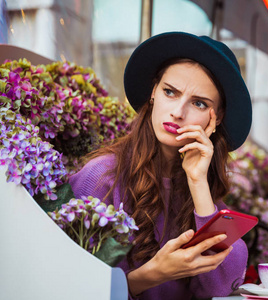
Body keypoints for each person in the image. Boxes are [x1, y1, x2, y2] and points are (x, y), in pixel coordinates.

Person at [69, 32, 252, 299]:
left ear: (216, 117)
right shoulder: (101, 176)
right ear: (153, 92)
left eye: (199, 103)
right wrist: (150, 275)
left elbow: (222, 287)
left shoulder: (197, 185)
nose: (178, 112)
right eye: (170, 92)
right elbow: (70, 283)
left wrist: (199, 184)